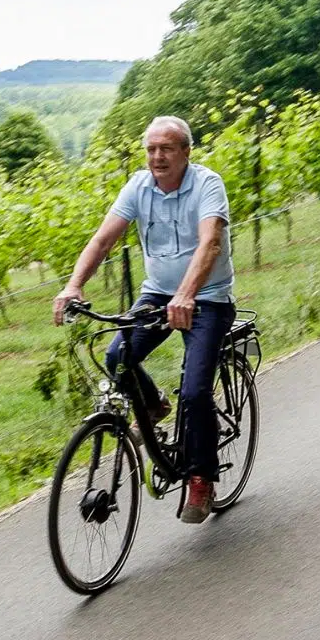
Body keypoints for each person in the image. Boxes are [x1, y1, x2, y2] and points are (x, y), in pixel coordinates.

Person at [54, 116, 236, 524]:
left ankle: (202, 478)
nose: (157, 157)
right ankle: (153, 405)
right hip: (157, 294)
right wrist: (73, 285)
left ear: (186, 152)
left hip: (207, 297)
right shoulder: (138, 186)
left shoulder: (207, 184)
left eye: (166, 148)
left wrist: (186, 294)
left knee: (195, 392)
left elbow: (210, 243)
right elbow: (103, 239)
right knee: (117, 356)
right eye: (151, 149)